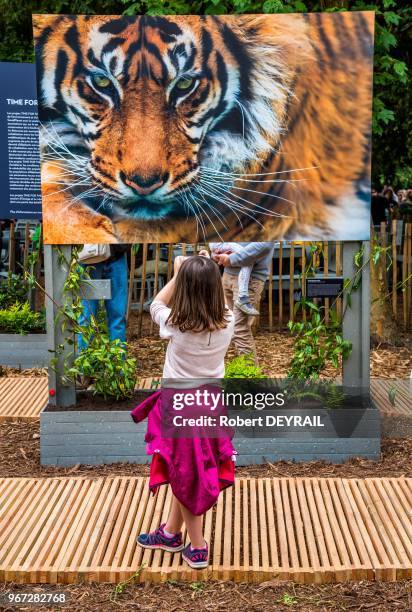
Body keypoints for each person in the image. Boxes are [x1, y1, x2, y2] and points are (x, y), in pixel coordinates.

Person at [132, 254, 235, 570]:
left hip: (179, 408)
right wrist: (201, 269)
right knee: (185, 467)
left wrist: (179, 272)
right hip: (210, 406)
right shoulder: (229, 320)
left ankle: (199, 546)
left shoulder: (176, 323)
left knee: (189, 473)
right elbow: (218, 298)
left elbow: (155, 304)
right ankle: (170, 534)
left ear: (184, 290)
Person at [212, 242, 275, 363]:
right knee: (226, 325)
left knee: (239, 329)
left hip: (251, 278)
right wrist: (216, 253)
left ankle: (250, 377)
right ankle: (238, 371)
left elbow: (265, 244)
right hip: (227, 274)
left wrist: (233, 259)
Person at [77, 245, 129, 351]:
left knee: (118, 316)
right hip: (89, 256)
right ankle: (85, 363)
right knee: (87, 317)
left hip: (116, 254)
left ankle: (118, 364)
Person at [208, 243, 260, 316]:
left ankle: (243, 296)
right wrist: (215, 255)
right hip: (227, 274)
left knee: (237, 321)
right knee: (247, 259)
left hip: (249, 277)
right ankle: (243, 296)